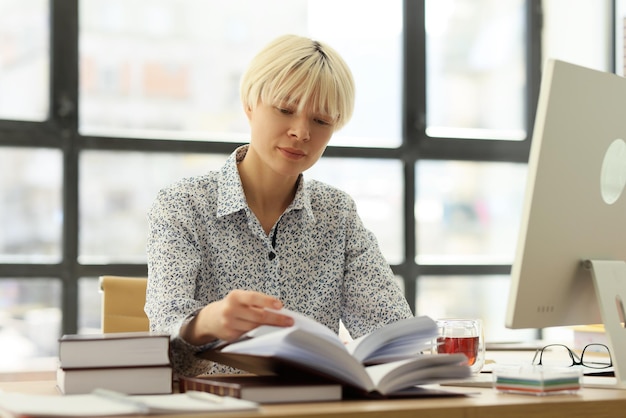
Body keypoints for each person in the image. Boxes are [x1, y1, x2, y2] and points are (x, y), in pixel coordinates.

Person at [145, 34, 413, 377]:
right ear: (250, 105)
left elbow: (391, 329)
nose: (301, 132)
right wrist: (206, 323)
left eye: (321, 121)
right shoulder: (183, 206)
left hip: (313, 408)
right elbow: (161, 348)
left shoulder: (337, 214)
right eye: (285, 110)